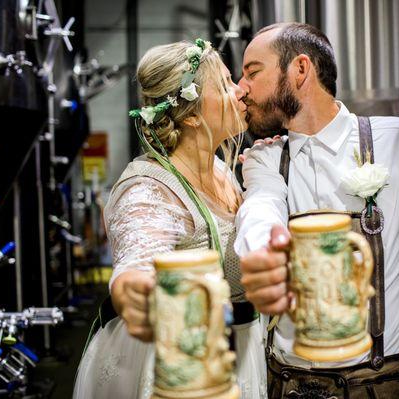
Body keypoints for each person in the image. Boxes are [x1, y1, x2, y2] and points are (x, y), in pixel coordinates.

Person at [235, 22, 399, 399]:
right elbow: (261, 208)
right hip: (287, 385)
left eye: (252, 72)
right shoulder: (265, 159)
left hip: (384, 385)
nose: (241, 89)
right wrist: (264, 256)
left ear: (301, 69)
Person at [73, 39, 267, 399]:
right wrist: (133, 286)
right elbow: (139, 252)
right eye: (225, 84)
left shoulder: (223, 170)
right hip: (176, 362)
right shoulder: (148, 188)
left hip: (233, 351)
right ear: (192, 115)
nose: (240, 90)